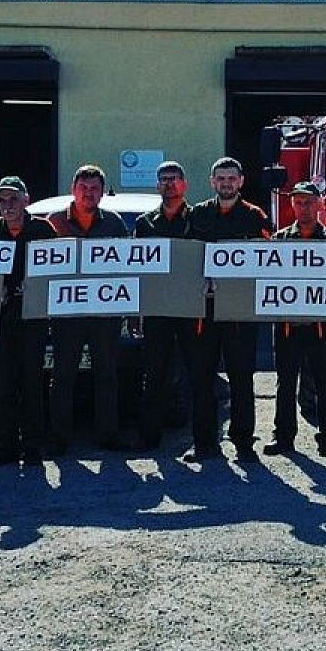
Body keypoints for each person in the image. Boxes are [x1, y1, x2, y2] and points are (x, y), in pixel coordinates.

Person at [186, 156, 273, 464]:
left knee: (241, 377)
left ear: (241, 182)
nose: (226, 183)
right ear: (212, 182)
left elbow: (270, 260)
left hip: (240, 312)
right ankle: (203, 443)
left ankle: (243, 442)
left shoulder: (255, 216)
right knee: (201, 378)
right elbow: (186, 259)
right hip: (203, 311)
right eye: (220, 178)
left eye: (231, 178)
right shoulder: (196, 215)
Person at [46, 165, 130, 454]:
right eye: (84, 188)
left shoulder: (115, 223)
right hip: (66, 314)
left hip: (104, 315)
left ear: (102, 193)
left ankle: (107, 434)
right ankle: (59, 438)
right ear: (74, 189)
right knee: (63, 375)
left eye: (95, 189)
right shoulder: (53, 222)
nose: (89, 193)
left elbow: (127, 266)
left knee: (107, 374)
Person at [0, 176, 58, 467]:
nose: (7, 206)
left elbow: (56, 271)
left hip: (32, 319)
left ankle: (33, 447)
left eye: (13, 199)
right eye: (2, 200)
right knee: (4, 384)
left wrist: (34, 286)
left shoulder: (43, 230)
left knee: (33, 382)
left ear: (25, 200)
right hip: (0, 320)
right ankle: (6, 446)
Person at [263, 181, 326, 459]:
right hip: (287, 326)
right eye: (299, 202)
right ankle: (283, 437)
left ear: (320, 203)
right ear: (292, 205)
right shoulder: (280, 240)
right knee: (285, 382)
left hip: (323, 328)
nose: (304, 207)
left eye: (309, 201)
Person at [133, 160, 195, 450]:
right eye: (163, 179)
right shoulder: (143, 224)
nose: (168, 184)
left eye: (173, 178)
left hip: (191, 308)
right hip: (157, 309)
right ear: (157, 185)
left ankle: (202, 440)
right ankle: (149, 438)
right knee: (154, 373)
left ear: (184, 184)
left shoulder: (199, 219)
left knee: (196, 373)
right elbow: (136, 268)